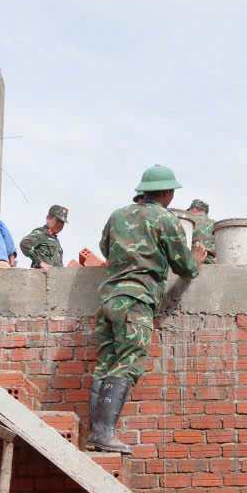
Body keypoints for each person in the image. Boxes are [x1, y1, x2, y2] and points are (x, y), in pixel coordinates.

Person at [88, 165, 206, 454]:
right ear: (166, 193)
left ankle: (96, 434)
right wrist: (196, 258)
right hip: (136, 301)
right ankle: (104, 433)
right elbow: (185, 267)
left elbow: (105, 248)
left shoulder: (117, 216)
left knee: (105, 365)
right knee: (130, 362)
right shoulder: (165, 219)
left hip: (109, 300)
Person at [186, 199, 216, 264]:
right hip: (211, 261)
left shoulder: (188, 222)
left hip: (191, 260)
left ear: (194, 209)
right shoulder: (215, 223)